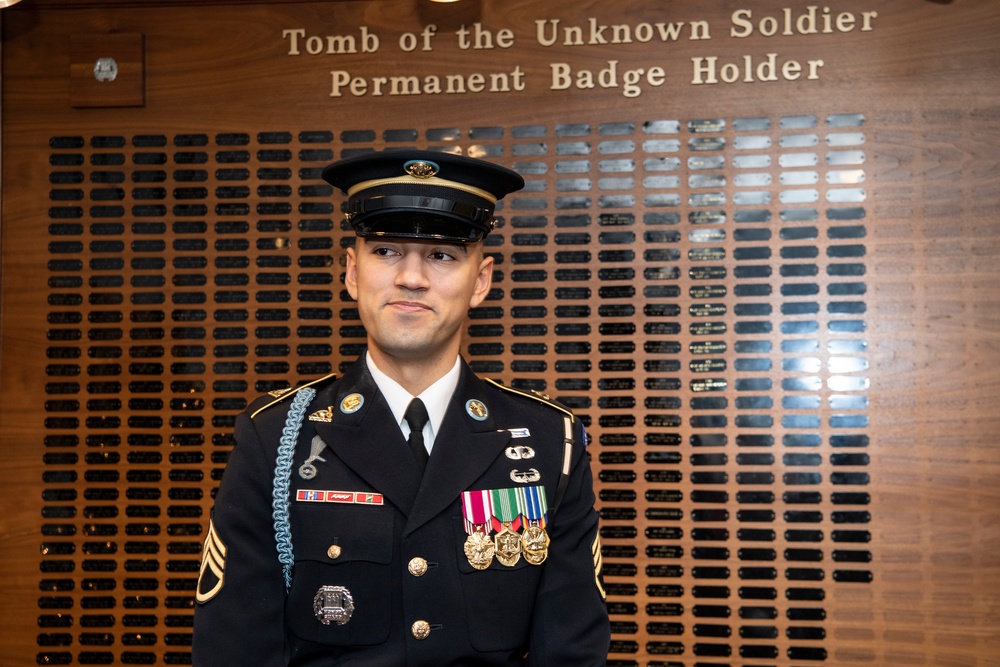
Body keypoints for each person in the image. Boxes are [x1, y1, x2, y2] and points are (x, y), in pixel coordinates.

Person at [192, 149, 610, 666]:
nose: (411, 277)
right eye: (387, 250)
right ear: (351, 271)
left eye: (442, 255)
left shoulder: (550, 442)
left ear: (480, 281)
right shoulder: (276, 438)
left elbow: (570, 652)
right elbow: (234, 651)